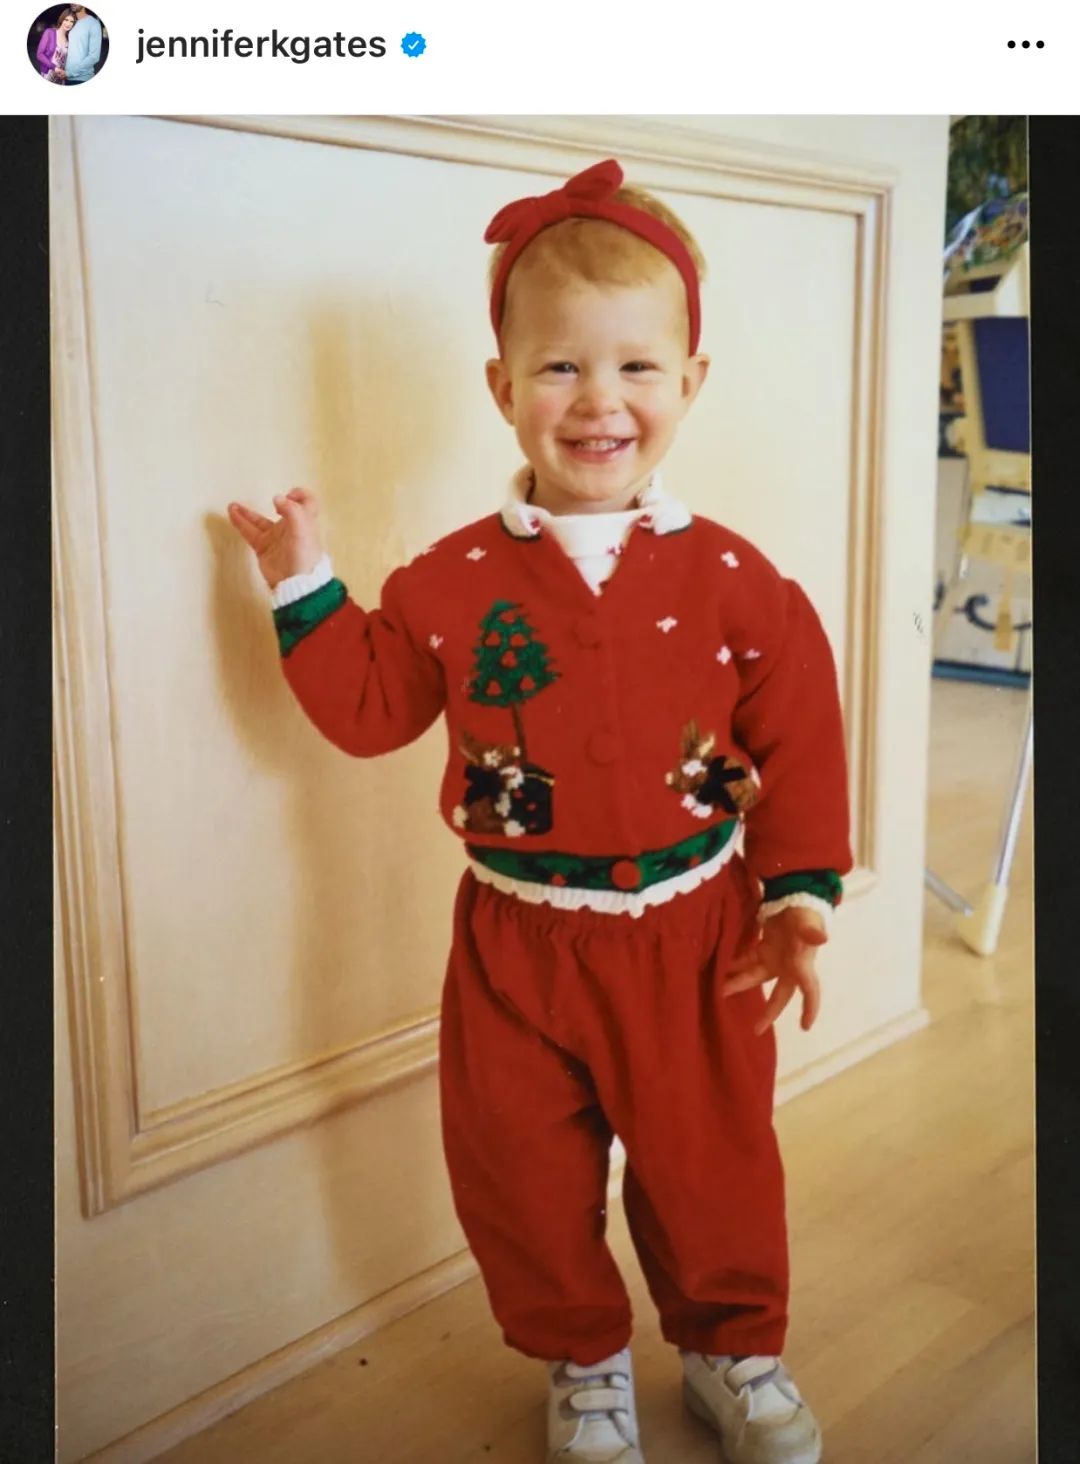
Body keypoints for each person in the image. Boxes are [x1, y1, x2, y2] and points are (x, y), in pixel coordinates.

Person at [227, 158, 850, 1464]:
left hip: (697, 938)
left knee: (713, 1163)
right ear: (503, 387)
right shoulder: (451, 582)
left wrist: (797, 893)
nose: (599, 399)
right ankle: (583, 1363)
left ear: (691, 382)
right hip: (516, 946)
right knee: (520, 1171)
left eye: (637, 366)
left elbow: (800, 731)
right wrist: (305, 585)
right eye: (560, 367)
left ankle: (732, 1348)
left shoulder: (737, 580)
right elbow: (373, 707)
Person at [35, 8, 77, 82]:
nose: (68, 24)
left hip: (61, 78)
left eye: (71, 21)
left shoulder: (70, 39)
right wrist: (54, 67)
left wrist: (66, 73)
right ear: (62, 19)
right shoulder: (50, 32)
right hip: (48, 75)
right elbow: (39, 54)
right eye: (66, 20)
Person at [64, 4, 102, 84]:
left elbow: (94, 57)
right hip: (65, 77)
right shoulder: (71, 22)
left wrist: (69, 73)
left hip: (82, 79)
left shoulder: (93, 23)